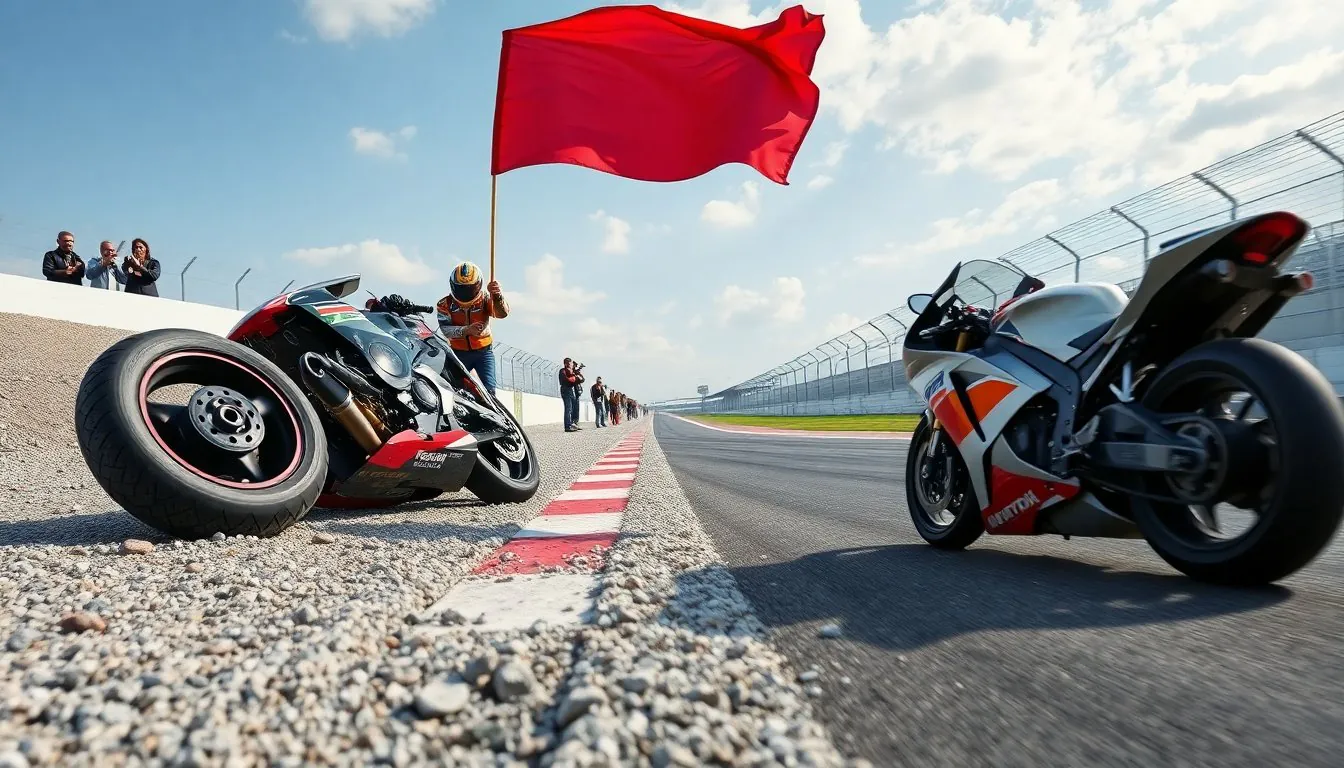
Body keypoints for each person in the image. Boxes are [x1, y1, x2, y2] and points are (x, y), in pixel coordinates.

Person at [435, 261, 509, 396]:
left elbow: (501, 314)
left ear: (479, 284)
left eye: (470, 288)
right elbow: (445, 329)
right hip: (458, 354)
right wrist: (466, 330)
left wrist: (497, 296)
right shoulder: (444, 304)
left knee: (489, 392)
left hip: (483, 353)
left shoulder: (485, 299)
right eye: (461, 289)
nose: (465, 293)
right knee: (450, 389)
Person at [558, 358, 585, 432]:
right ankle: (567, 426)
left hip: (572, 390)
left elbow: (581, 379)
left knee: (573, 409)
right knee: (568, 408)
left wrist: (574, 378)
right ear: (566, 364)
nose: (572, 365)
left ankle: (573, 424)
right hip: (566, 390)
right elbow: (565, 380)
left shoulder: (573, 372)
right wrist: (573, 379)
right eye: (571, 363)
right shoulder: (563, 371)